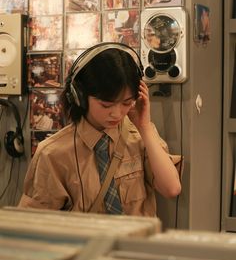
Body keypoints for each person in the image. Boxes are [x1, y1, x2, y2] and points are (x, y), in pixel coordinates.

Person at [18, 43, 181, 216]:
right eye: (106, 105)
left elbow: (171, 188)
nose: (117, 113)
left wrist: (145, 127)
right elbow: (36, 223)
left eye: (126, 103)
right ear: (79, 96)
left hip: (135, 242)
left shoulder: (141, 136)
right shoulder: (52, 153)